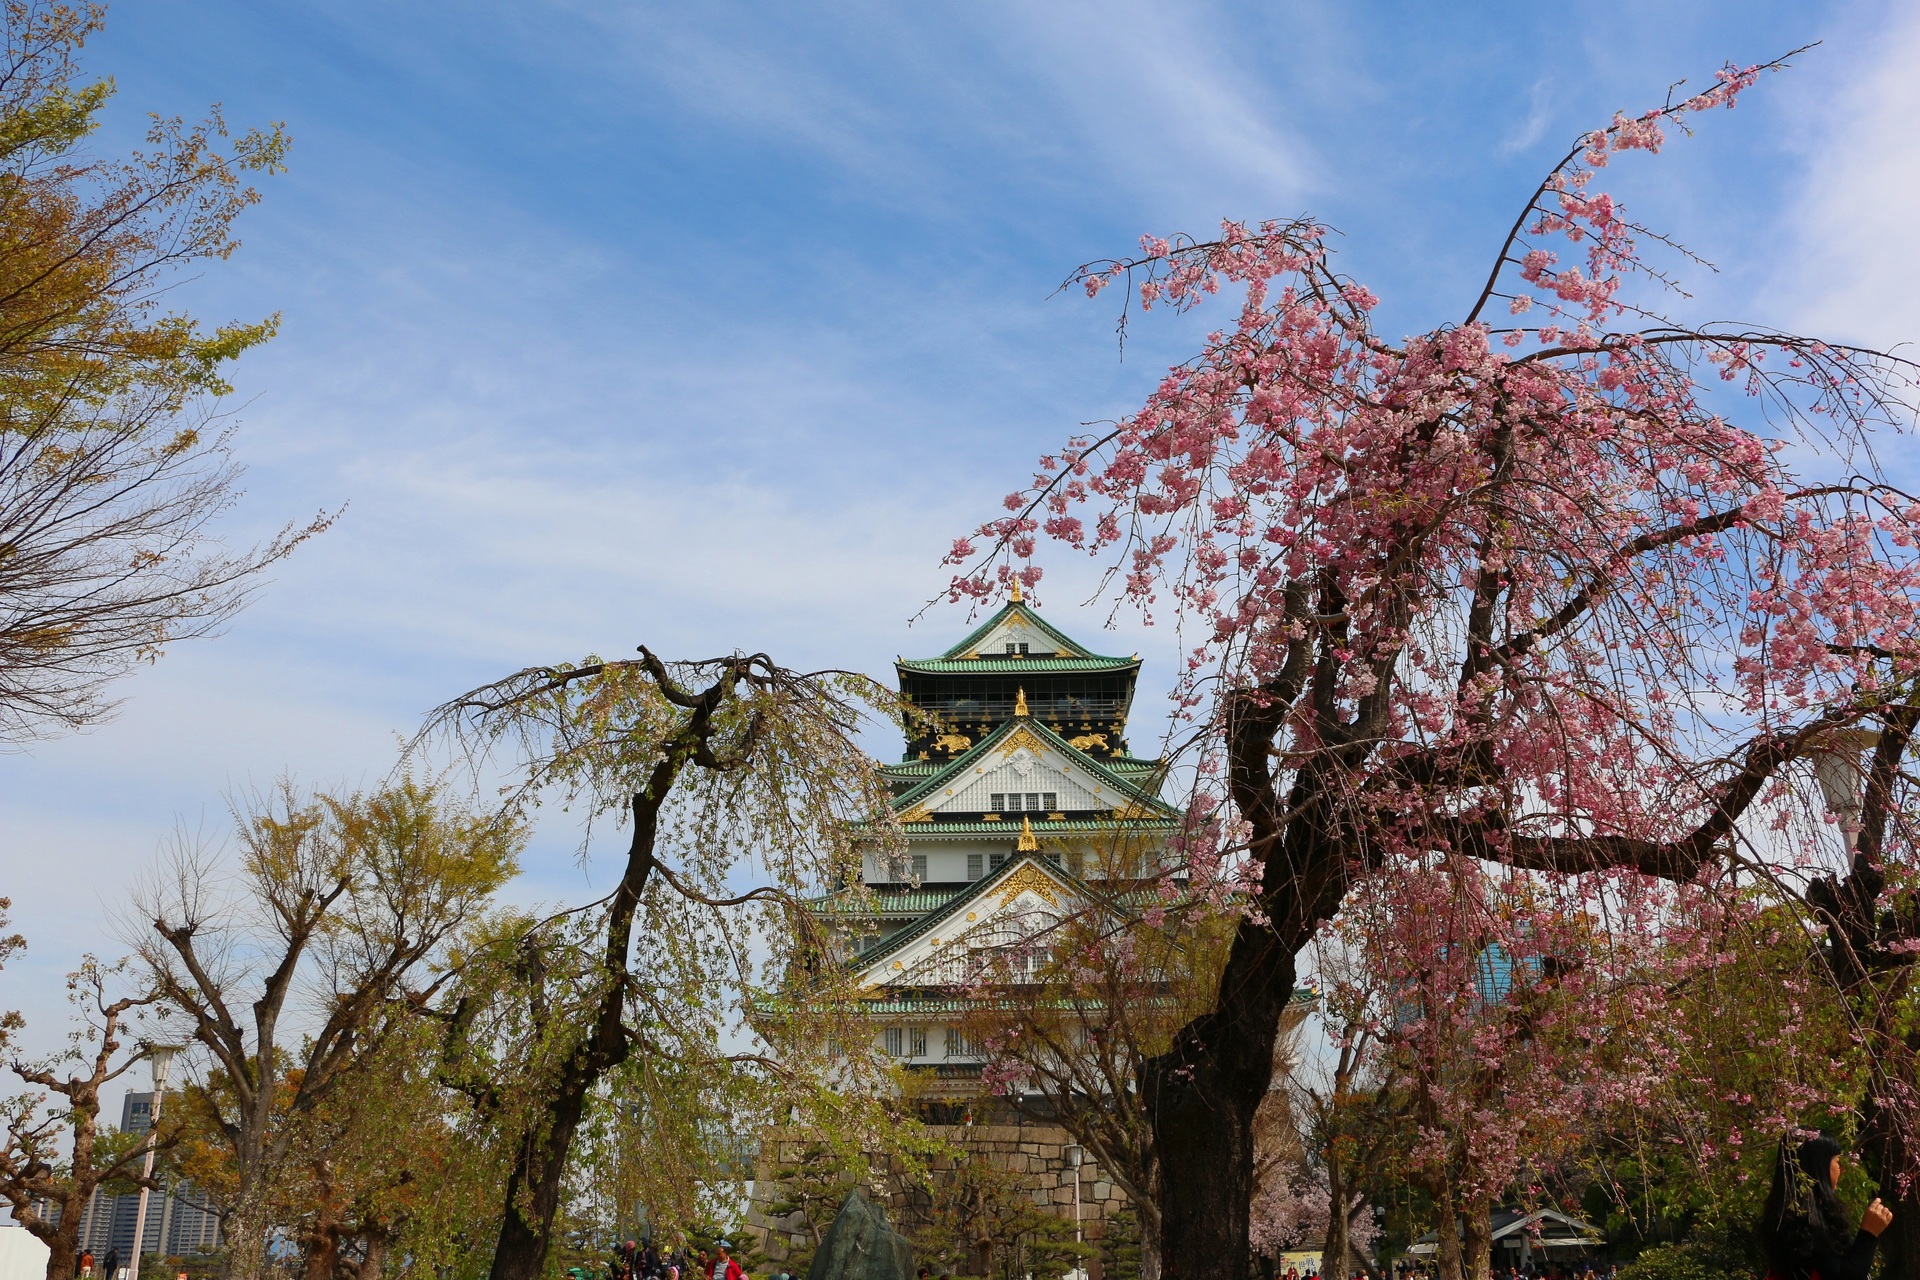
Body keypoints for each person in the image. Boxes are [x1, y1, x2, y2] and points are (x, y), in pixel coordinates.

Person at [1761, 1130, 1894, 1280]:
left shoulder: (1787, 1215)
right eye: (1837, 1161)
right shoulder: (1805, 1221)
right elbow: (1842, 1276)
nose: (1841, 1169)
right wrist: (1869, 1233)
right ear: (1820, 1165)